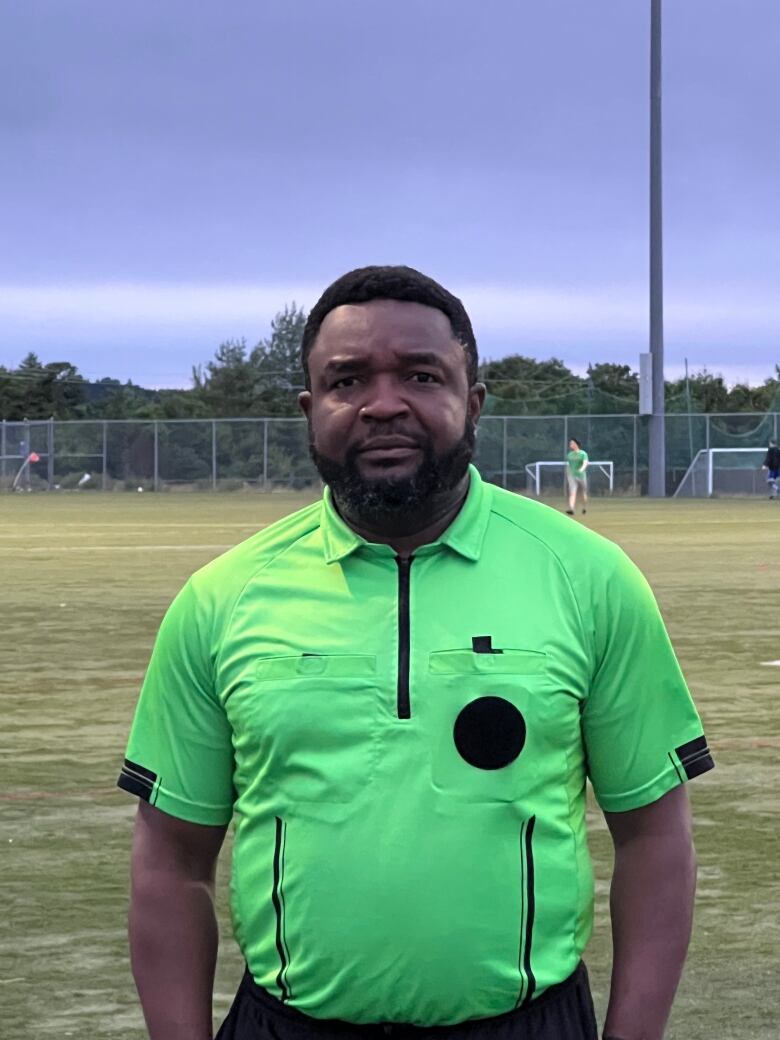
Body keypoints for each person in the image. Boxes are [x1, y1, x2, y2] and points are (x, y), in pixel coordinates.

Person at [118, 265, 714, 1040]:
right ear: (310, 409)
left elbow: (655, 839)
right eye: (348, 380)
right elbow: (170, 862)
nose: (384, 403)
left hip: (527, 1023)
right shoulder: (221, 598)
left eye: (421, 375)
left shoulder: (592, 580)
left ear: (472, 403)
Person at [566, 438, 588, 515]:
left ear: (576, 444)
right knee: (572, 493)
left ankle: (584, 507)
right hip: (572, 476)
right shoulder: (569, 455)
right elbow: (568, 466)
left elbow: (585, 463)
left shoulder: (583, 454)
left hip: (581, 476)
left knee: (583, 494)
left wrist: (581, 469)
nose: (570, 445)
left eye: (572, 443)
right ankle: (571, 509)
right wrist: (568, 475)